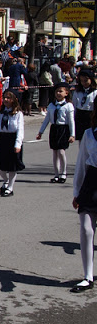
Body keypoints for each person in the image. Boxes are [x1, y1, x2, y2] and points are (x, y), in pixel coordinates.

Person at [71, 106, 97, 292]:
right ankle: (87, 276)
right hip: (91, 183)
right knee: (87, 229)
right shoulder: (89, 134)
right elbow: (81, 164)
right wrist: (76, 191)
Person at [36, 82, 75, 183]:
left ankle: (63, 173)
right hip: (54, 129)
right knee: (55, 152)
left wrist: (72, 134)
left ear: (66, 93)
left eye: (61, 91)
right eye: (57, 91)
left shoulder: (68, 106)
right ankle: (56, 174)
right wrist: (41, 132)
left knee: (61, 152)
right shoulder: (51, 105)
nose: (58, 93)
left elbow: (71, 121)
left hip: (63, 129)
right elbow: (47, 120)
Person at [0, 90, 25, 197]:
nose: (5, 100)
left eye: (8, 98)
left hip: (13, 139)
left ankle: (10, 187)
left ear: (14, 100)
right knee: (0, 166)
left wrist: (18, 144)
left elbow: (20, 130)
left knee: (12, 166)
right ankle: (6, 181)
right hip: (3, 139)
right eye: (4, 97)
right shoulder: (0, 114)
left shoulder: (18, 114)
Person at [72, 69, 96, 141]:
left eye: (86, 80)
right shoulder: (78, 92)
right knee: (81, 139)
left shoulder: (95, 92)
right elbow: (74, 105)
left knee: (90, 138)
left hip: (90, 115)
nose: (84, 83)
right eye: (81, 81)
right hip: (80, 116)